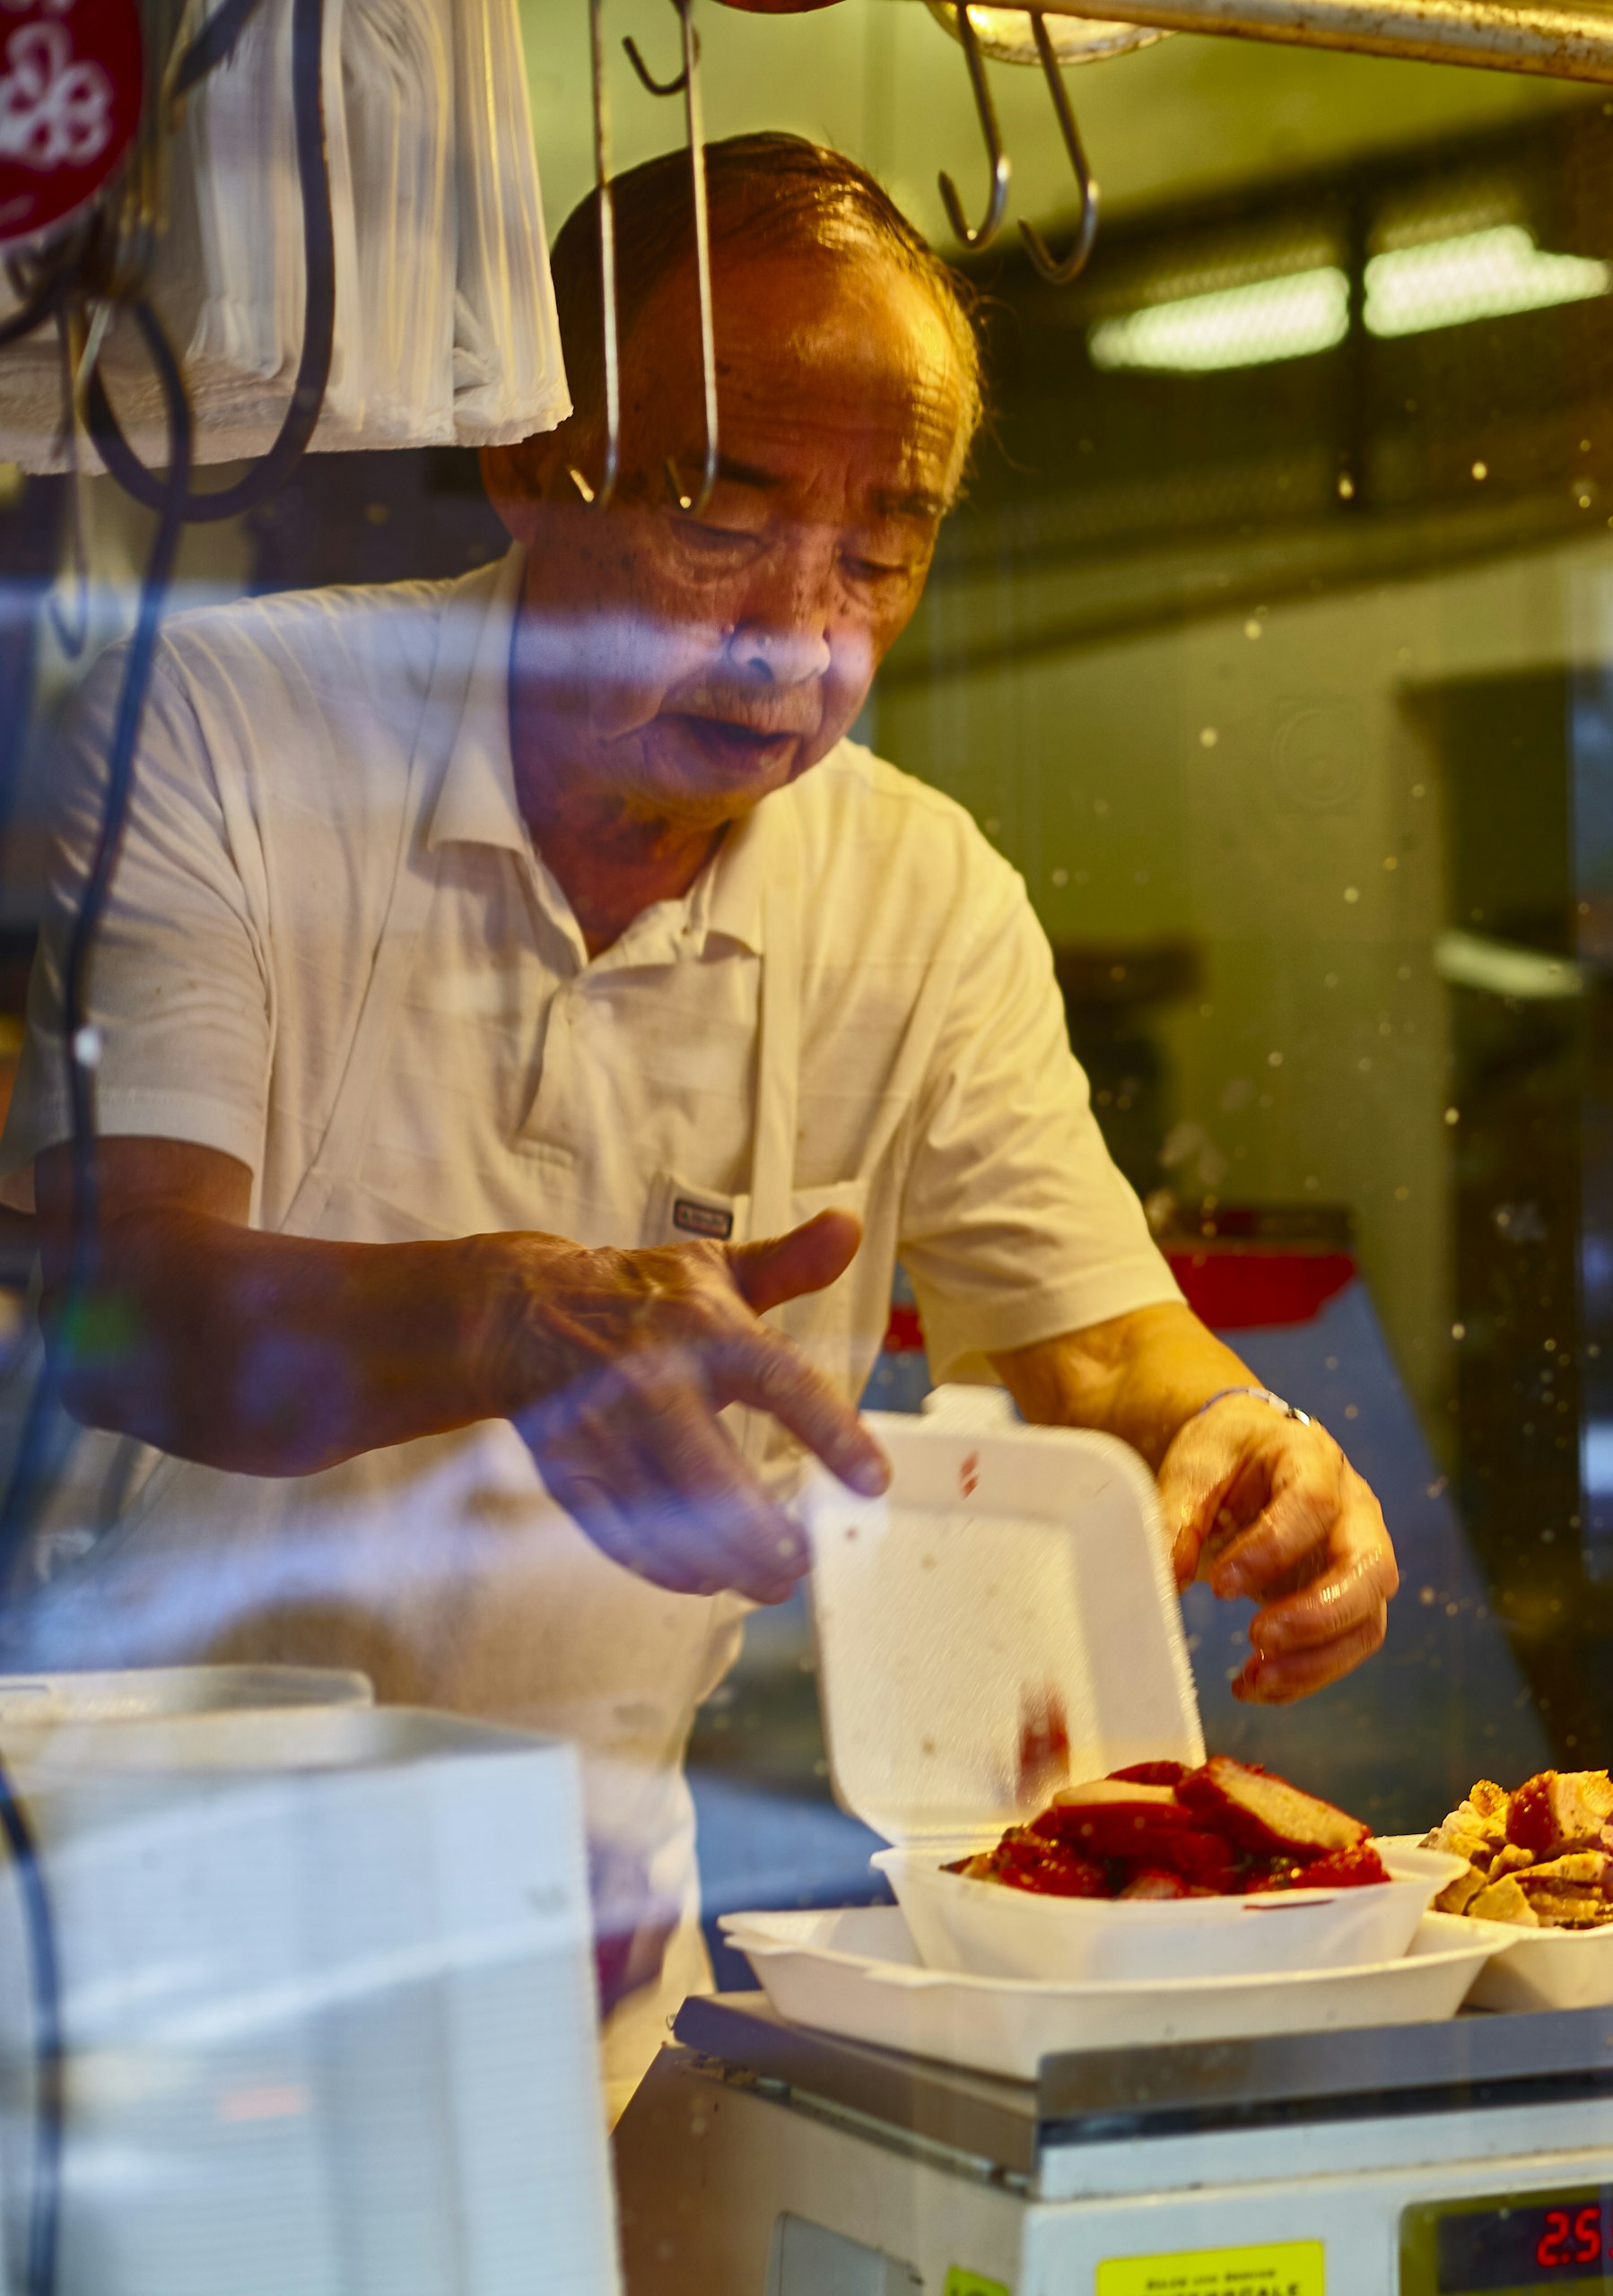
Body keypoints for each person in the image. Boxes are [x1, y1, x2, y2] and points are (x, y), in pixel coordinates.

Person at [0, 135, 1398, 2102]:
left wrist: (1233, 1435)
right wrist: (508, 1314)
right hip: (125, 1952)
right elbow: (123, 1305)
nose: (797, 635)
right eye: (719, 514)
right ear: (522, 453)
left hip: (579, 1962)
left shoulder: (924, 893)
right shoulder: (221, 732)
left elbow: (1093, 1332)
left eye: (881, 548)